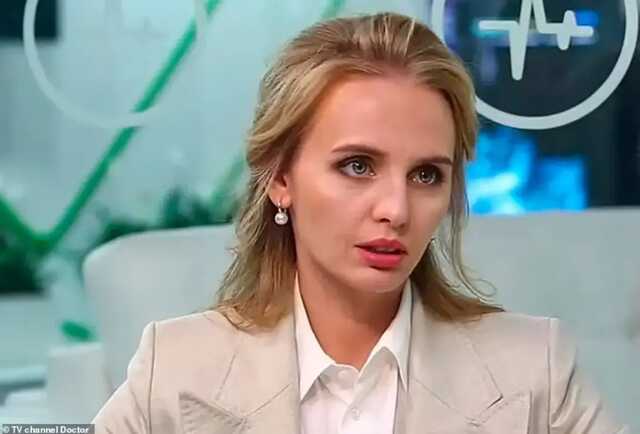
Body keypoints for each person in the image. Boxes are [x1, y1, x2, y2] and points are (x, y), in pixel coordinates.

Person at [92, 12, 629, 434]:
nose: (396, 209)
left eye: (426, 175)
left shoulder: (536, 368)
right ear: (280, 178)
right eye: (357, 166)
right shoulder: (175, 366)